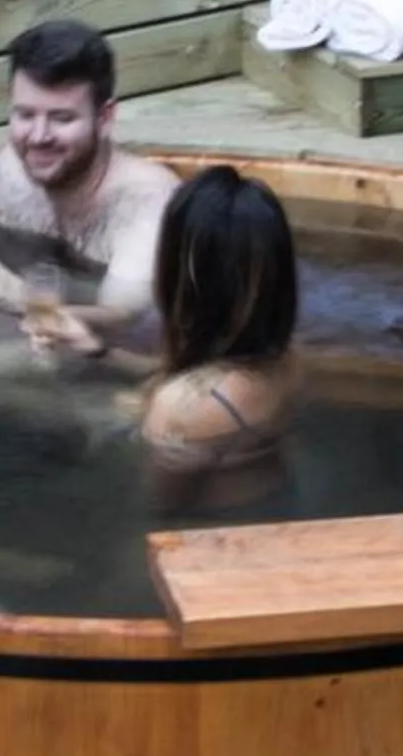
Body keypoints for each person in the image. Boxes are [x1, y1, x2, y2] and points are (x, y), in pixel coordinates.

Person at [27, 165, 302, 504]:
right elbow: (202, 377)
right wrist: (97, 350)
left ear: (183, 276)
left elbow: (155, 507)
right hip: (273, 497)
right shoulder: (286, 356)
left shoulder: (181, 411)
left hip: (207, 528)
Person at [0, 19, 176, 331]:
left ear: (104, 118)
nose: (38, 137)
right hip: (18, 325)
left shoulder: (146, 205)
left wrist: (4, 288)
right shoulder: (8, 170)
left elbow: (119, 327)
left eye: (61, 118)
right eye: (25, 115)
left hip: (92, 353)